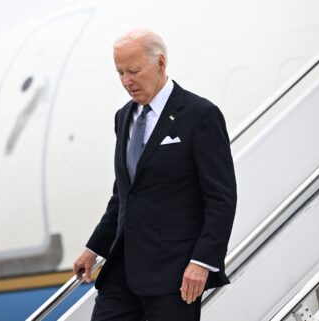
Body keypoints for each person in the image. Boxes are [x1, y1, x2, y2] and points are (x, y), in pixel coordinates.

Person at [73, 29, 237, 321]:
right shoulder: (124, 117)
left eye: (133, 71)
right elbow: (124, 193)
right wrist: (94, 247)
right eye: (120, 72)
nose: (126, 81)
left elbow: (221, 198)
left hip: (174, 272)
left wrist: (202, 261)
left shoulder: (199, 115)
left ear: (160, 63)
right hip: (123, 267)